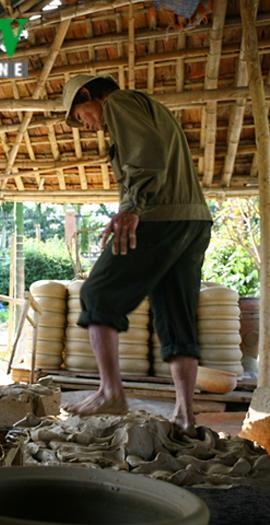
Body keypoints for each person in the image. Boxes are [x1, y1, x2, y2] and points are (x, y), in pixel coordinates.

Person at [62, 74, 212, 431]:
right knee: (176, 314)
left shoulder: (120, 103)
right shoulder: (152, 108)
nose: (86, 125)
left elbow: (148, 157)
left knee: (96, 294)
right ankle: (185, 414)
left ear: (88, 94)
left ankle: (110, 391)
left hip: (158, 217)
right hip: (193, 221)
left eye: (81, 115)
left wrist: (132, 207)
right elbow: (158, 154)